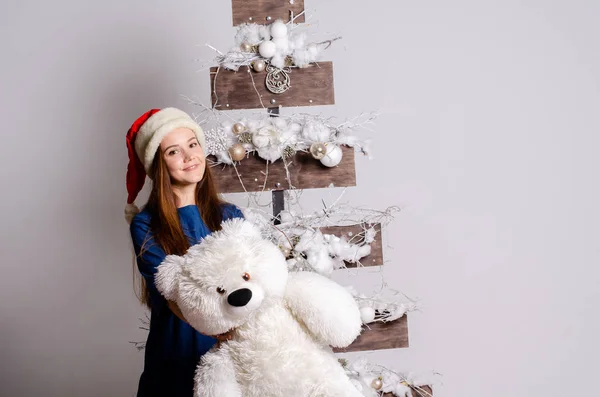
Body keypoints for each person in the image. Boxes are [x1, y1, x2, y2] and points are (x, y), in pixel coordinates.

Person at [124, 108, 244, 397]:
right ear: (158, 167)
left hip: (231, 358)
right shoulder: (145, 224)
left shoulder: (230, 214)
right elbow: (182, 289)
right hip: (176, 359)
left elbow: (247, 280)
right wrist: (187, 202)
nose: (190, 157)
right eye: (174, 152)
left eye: (193, 145)